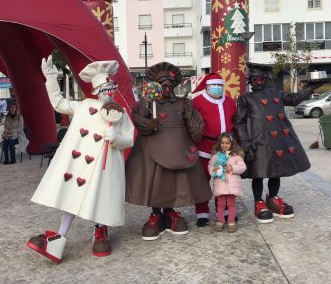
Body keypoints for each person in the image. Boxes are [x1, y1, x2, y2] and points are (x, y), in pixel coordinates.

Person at [27, 57, 134, 263]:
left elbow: (129, 138)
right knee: (72, 197)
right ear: (96, 91)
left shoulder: (120, 114)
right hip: (79, 166)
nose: (109, 92)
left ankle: (101, 231)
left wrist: (117, 138)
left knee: (102, 197)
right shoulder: (84, 106)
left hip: (106, 165)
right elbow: (59, 103)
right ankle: (60, 236)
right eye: (104, 89)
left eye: (111, 87)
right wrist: (50, 79)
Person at [125, 62, 212, 241]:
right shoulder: (148, 103)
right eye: (162, 85)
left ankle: (170, 212)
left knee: (175, 182)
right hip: (152, 148)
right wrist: (149, 124)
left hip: (179, 148)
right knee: (156, 182)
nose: (166, 89)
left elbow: (194, 122)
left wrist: (196, 129)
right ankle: (156, 214)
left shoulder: (183, 103)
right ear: (155, 86)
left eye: (170, 85)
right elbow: (137, 117)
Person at [235, 62, 327, 223]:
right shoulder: (245, 98)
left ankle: (272, 199)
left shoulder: (276, 92)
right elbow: (239, 122)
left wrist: (312, 86)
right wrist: (244, 142)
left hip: (279, 141)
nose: (258, 81)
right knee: (259, 173)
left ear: (266, 79)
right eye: (255, 79)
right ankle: (259, 203)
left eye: (261, 78)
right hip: (258, 142)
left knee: (276, 171)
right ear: (250, 80)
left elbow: (294, 99)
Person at [192, 72, 237, 227]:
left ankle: (223, 211)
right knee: (202, 181)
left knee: (223, 181)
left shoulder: (230, 102)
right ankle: (202, 212)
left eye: (219, 85)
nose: (217, 88)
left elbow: (235, 123)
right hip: (204, 147)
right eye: (213, 86)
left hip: (225, 149)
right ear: (207, 87)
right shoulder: (197, 101)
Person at [208, 132, 246, 233]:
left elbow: (243, 167)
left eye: (227, 143)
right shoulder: (216, 156)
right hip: (220, 184)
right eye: (222, 143)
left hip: (232, 186)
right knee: (220, 204)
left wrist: (233, 168)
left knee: (231, 204)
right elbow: (210, 166)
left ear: (232, 144)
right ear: (219, 143)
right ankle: (220, 221)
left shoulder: (236, 156)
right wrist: (214, 169)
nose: (224, 145)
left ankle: (231, 222)